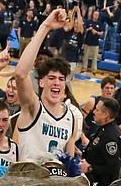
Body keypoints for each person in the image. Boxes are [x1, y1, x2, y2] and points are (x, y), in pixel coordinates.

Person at [14, 9, 80, 160]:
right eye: (51, 78)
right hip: (28, 180)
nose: (57, 82)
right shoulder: (33, 106)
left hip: (54, 182)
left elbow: (69, 164)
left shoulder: (71, 117)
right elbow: (20, 73)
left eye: (61, 79)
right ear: (41, 82)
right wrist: (45, 26)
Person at [80, 97, 121, 186]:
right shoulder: (103, 128)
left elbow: (114, 167)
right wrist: (82, 153)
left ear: (105, 114)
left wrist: (90, 168)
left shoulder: (110, 137)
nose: (94, 112)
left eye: (97, 110)